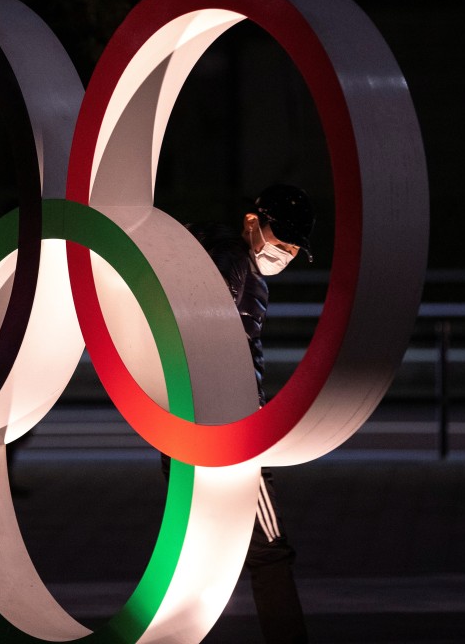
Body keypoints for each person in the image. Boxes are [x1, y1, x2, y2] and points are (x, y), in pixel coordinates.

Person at [162, 183, 315, 644]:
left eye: (294, 248)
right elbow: (210, 328)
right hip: (230, 427)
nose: (286, 253)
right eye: (282, 241)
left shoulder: (228, 257)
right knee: (269, 549)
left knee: (189, 551)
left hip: (190, 424)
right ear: (253, 222)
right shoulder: (231, 258)